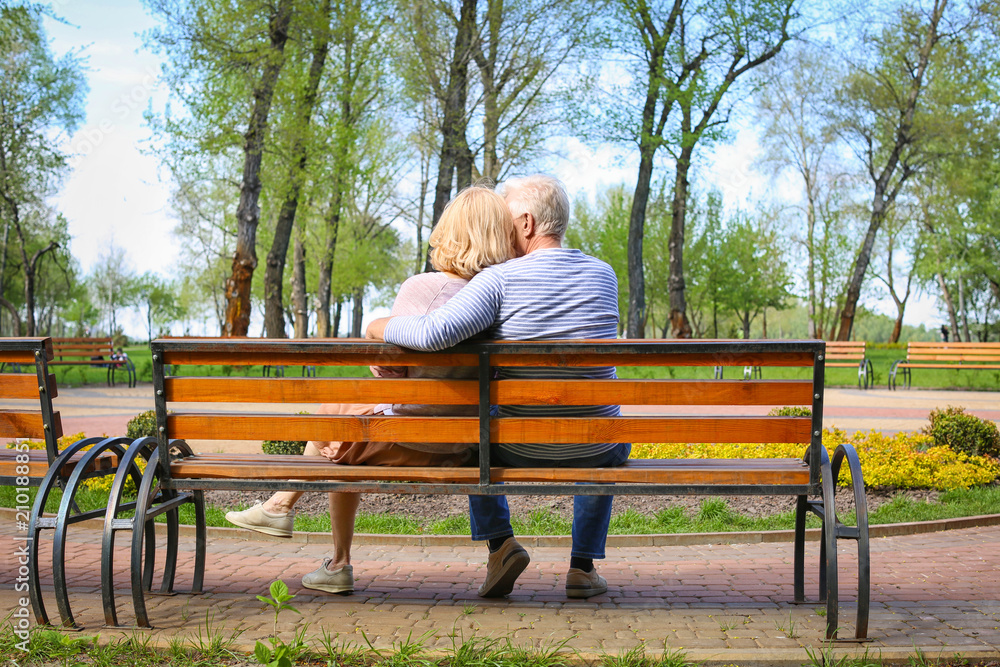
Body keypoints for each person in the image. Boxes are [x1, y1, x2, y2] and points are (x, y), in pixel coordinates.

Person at [223, 185, 517, 594]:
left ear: (450, 233)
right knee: (339, 418)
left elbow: (388, 376)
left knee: (334, 430)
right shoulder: (502, 297)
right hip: (470, 448)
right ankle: (307, 535)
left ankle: (294, 518)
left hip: (413, 442)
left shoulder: (424, 288)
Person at [365, 174, 627, 600]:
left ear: (525, 223)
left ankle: (499, 541)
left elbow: (435, 333)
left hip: (518, 444)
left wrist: (377, 326)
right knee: (602, 420)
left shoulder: (500, 279)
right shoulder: (604, 274)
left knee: (474, 426)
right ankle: (582, 566)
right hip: (597, 448)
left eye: (507, 222)